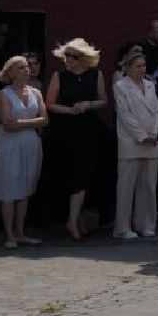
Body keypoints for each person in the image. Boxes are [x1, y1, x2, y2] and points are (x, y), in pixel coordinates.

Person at [44, 38, 111, 242]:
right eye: (66, 56)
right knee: (74, 176)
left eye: (73, 56)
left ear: (83, 58)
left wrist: (88, 105)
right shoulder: (60, 76)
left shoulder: (95, 75)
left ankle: (78, 219)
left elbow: (103, 100)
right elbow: (50, 103)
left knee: (87, 173)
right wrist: (70, 110)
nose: (68, 60)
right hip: (66, 130)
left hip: (90, 130)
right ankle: (72, 222)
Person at [0, 55, 47, 249]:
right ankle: (9, 234)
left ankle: (20, 232)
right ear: (11, 72)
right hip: (11, 146)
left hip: (31, 144)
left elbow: (44, 120)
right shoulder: (4, 94)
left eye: (27, 67)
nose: (27, 70)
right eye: (21, 68)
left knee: (25, 189)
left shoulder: (36, 93)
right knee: (10, 187)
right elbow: (7, 124)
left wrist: (21, 122)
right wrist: (30, 123)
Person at [111, 47, 158, 239]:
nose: (142, 69)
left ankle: (146, 225)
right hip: (130, 142)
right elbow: (124, 115)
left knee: (148, 185)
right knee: (126, 186)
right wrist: (142, 135)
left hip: (152, 141)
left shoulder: (150, 85)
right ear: (129, 67)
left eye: (144, 65)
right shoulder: (120, 86)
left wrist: (155, 132)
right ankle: (122, 228)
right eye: (138, 66)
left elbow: (157, 111)